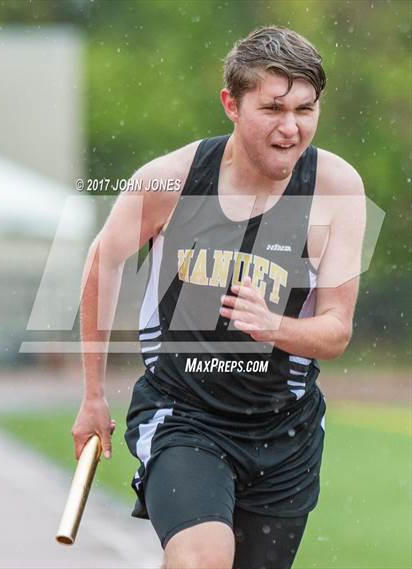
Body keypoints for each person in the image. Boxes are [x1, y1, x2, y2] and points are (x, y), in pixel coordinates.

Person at [72, 26, 365, 569]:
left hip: (285, 430)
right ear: (231, 103)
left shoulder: (336, 189)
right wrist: (92, 394)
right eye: (273, 109)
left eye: (305, 109)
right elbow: (104, 259)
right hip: (184, 415)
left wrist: (273, 325)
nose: (291, 128)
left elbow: (336, 331)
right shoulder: (172, 180)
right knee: (203, 559)